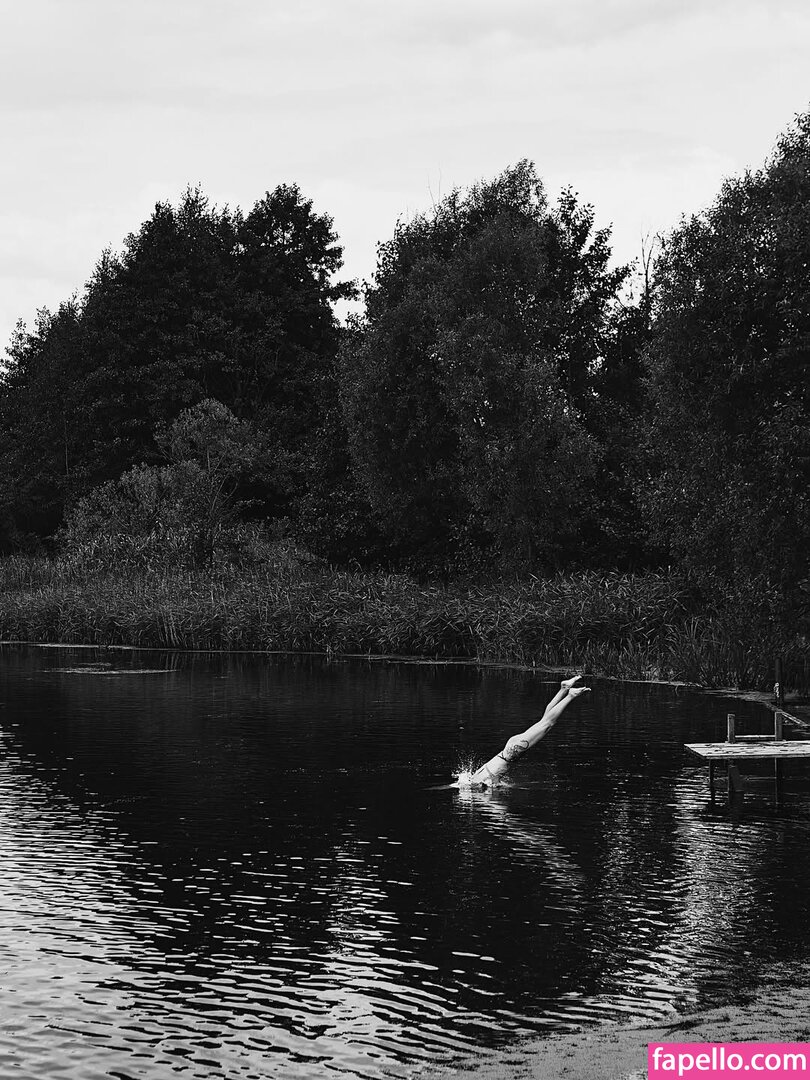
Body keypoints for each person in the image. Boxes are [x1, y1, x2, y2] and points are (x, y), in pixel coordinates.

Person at [462, 675, 590, 788]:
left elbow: (496, 802)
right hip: (511, 747)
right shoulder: (477, 776)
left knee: (547, 724)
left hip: (514, 750)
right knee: (544, 721)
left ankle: (570, 695)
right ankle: (563, 689)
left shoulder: (482, 781)